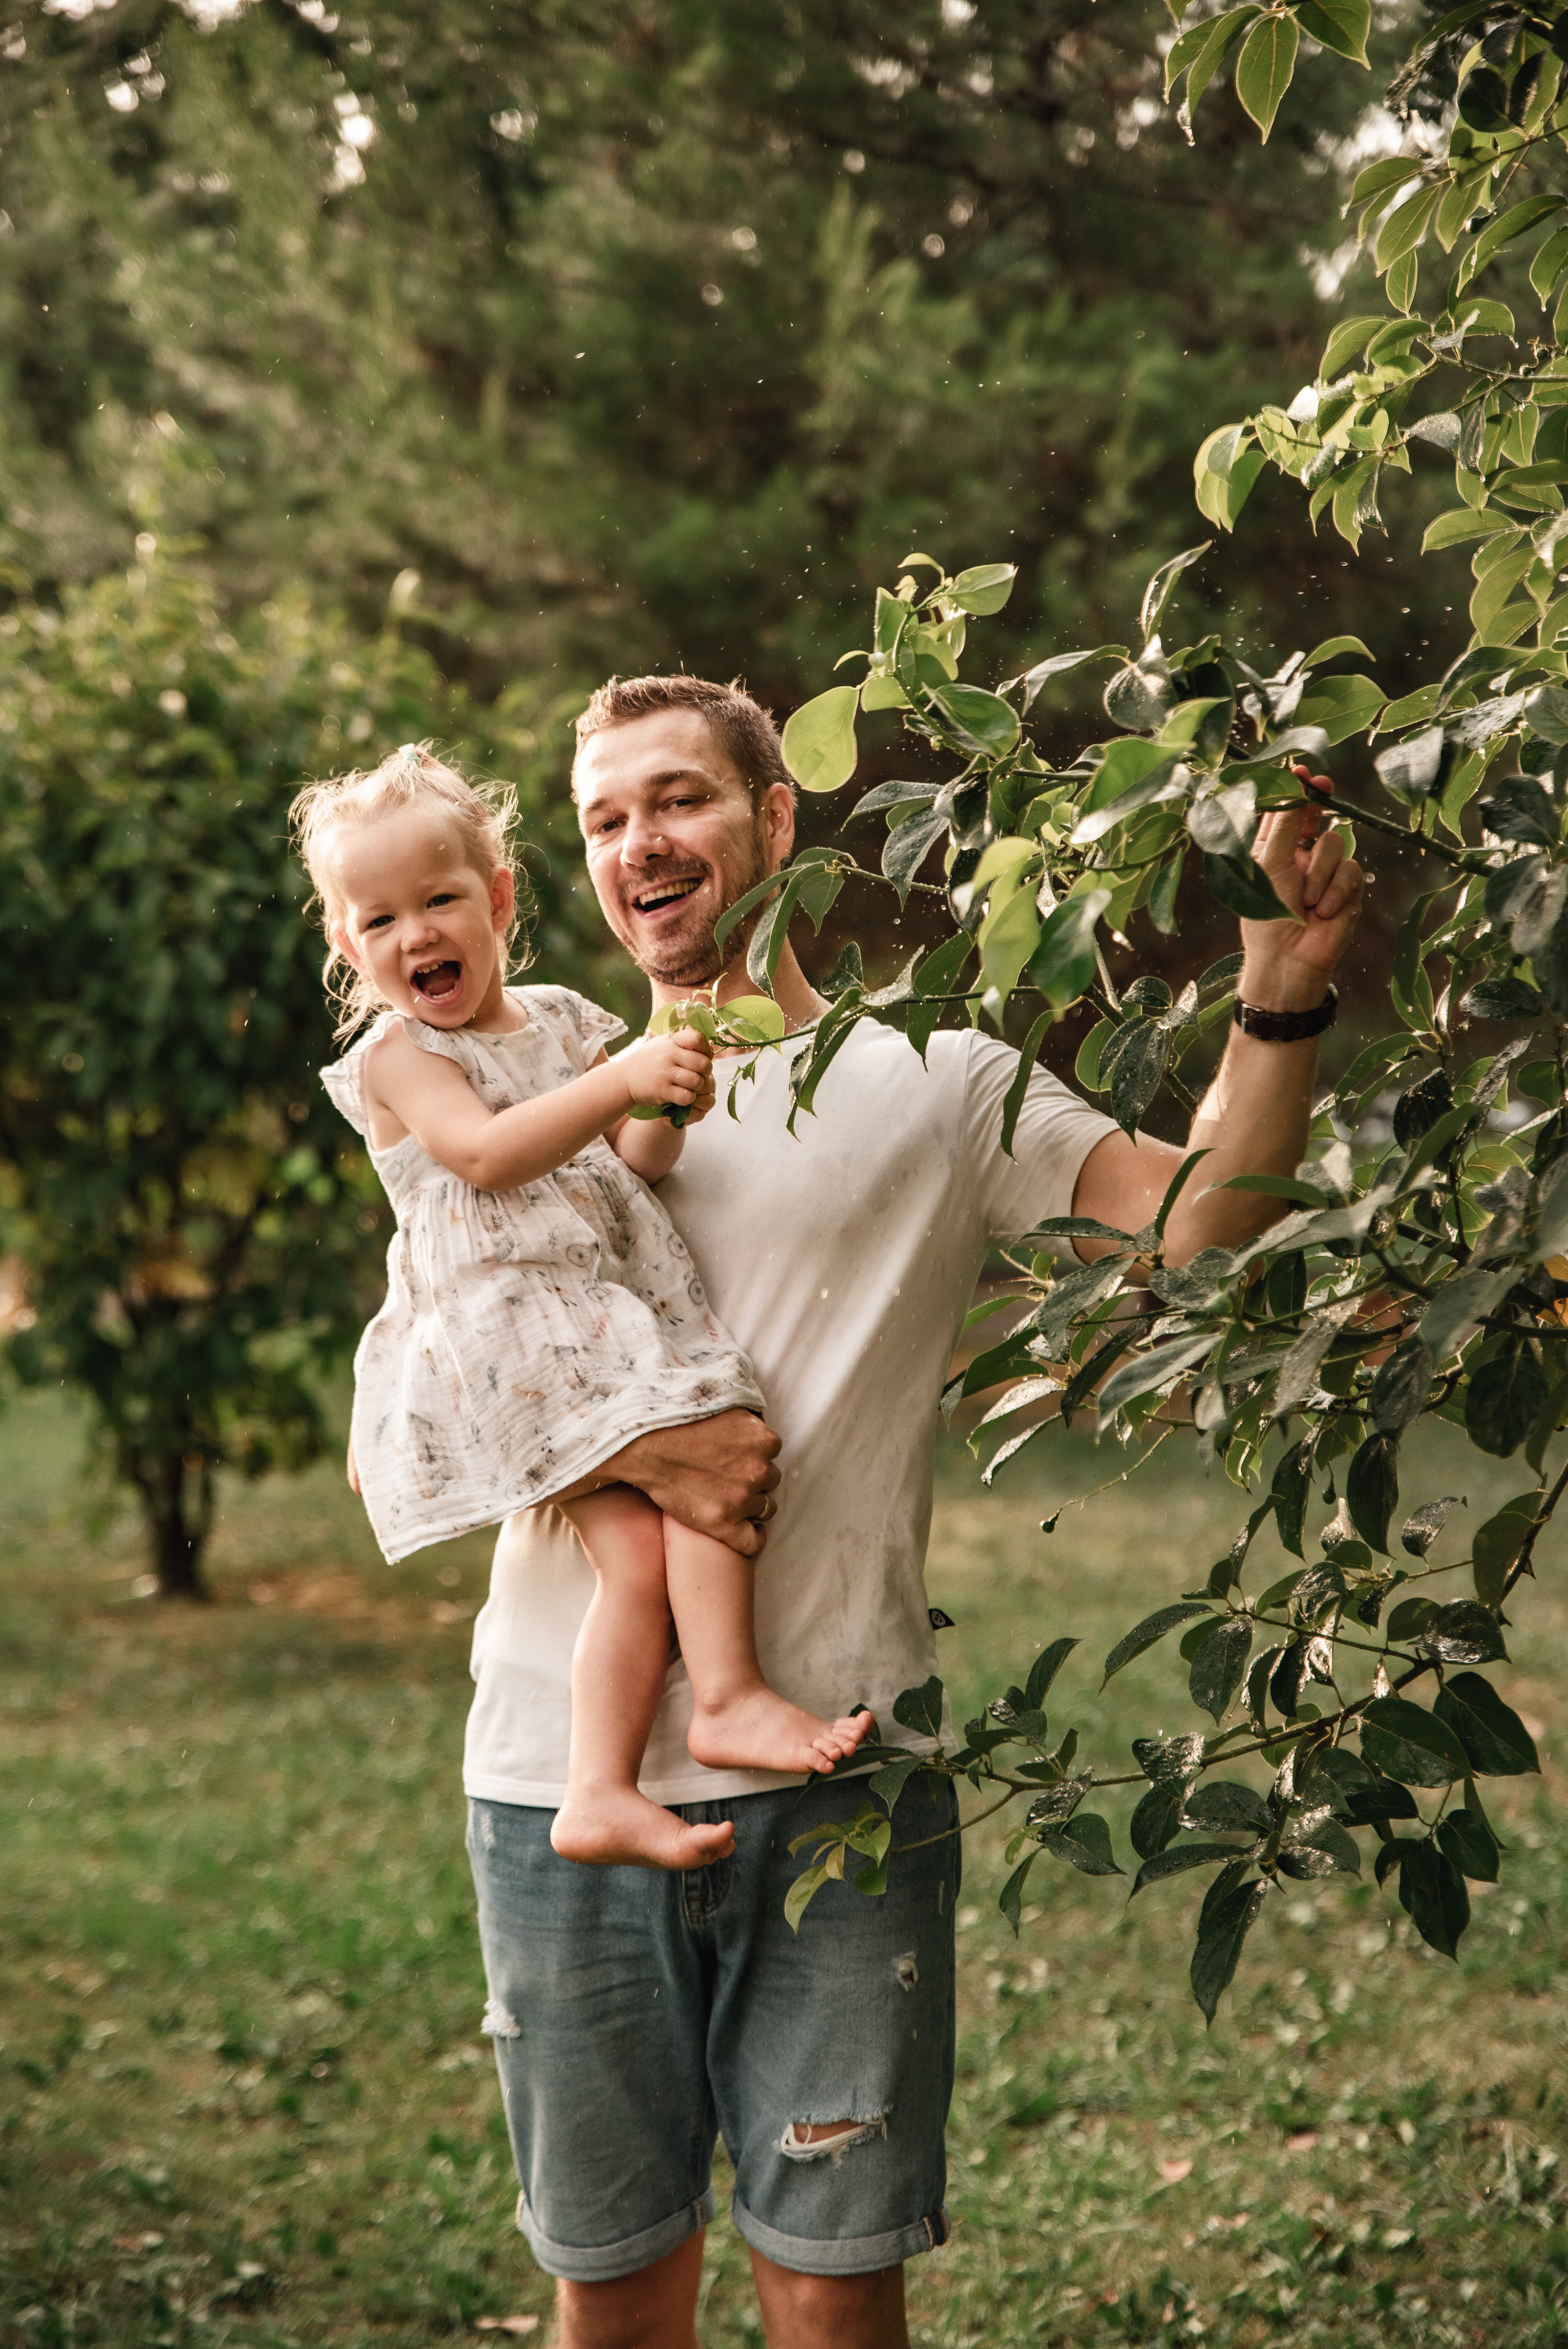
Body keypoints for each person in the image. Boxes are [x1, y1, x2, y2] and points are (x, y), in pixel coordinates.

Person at [457, 675, 1365, 2349]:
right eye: (602, 819)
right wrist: (622, 1462)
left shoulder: (935, 1083)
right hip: (552, 1773)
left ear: (778, 819)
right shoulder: (544, 1088)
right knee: (620, 2290)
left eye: (680, 799)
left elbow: (1200, 1225)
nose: (640, 845)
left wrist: (1282, 1003)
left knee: (831, 2283)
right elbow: (420, 1389)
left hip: (844, 1762)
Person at [291, 744, 873, 1876]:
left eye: (443, 898)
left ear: (499, 896)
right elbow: (489, 1155)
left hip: (594, 1321)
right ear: (348, 946)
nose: (418, 934)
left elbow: (634, 1161)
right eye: (381, 919)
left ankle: (711, 1708)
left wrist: (669, 1090)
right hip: (510, 1339)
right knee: (661, 1519)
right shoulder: (397, 1059)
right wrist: (619, 1078)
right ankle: (617, 1772)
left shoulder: (559, 1019)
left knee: (700, 1476)